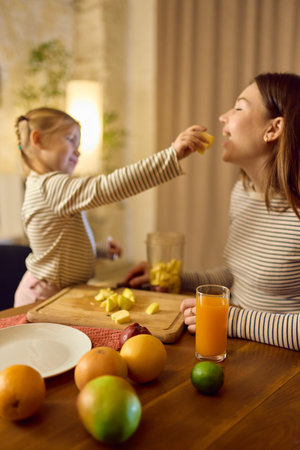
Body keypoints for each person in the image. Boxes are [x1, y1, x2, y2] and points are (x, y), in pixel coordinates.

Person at [123, 72, 300, 351]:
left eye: (239, 107)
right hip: (234, 347)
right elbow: (235, 277)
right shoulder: (243, 194)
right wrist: (175, 280)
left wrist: (232, 321)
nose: (223, 117)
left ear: (273, 129)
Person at [14, 107, 208, 307]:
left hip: (57, 291)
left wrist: (96, 249)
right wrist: (170, 156)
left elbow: (55, 245)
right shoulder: (50, 186)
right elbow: (109, 187)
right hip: (43, 297)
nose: (78, 151)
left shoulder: (44, 186)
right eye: (70, 139)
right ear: (38, 139)